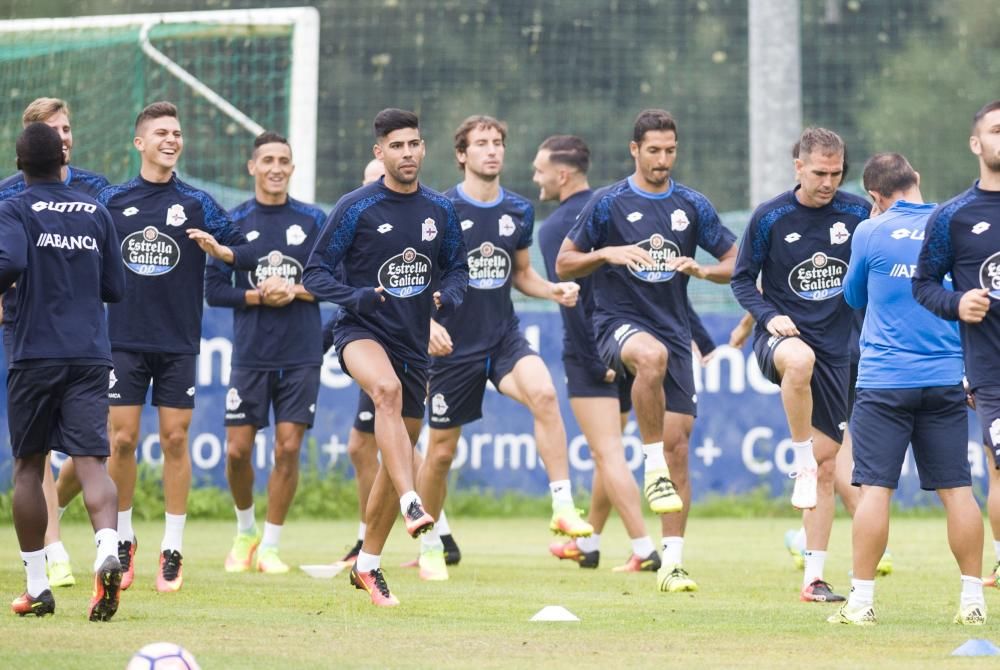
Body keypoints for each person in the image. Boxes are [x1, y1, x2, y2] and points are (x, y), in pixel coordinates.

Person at [557, 109, 738, 592]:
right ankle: (650, 463)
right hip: (617, 325)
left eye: (670, 150)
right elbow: (564, 262)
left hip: (675, 331)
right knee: (649, 359)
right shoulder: (607, 203)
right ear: (635, 150)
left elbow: (734, 262)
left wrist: (701, 271)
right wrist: (604, 254)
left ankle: (673, 563)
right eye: (653, 150)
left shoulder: (691, 205)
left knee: (681, 448)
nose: (662, 159)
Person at [303, 108, 468, 606]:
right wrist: (356, 297)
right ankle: (414, 501)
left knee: (393, 451)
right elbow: (315, 274)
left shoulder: (440, 210)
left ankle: (368, 565)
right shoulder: (356, 206)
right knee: (386, 391)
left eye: (414, 144)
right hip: (361, 331)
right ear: (380, 153)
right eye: (397, 146)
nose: (408, 153)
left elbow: (458, 270)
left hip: (413, 343)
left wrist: (447, 298)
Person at [415, 115, 590, 582]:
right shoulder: (438, 209)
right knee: (441, 454)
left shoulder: (517, 210)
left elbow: (521, 273)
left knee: (546, 395)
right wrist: (427, 322)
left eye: (498, 143)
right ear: (461, 154)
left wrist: (552, 290)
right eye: (481, 144)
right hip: (452, 347)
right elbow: (417, 283)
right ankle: (429, 543)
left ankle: (562, 507)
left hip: (503, 337)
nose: (492, 151)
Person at [96, 101, 256, 593]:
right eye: (162, 132)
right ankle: (123, 541)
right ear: (139, 142)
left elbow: (246, 248)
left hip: (178, 342)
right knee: (121, 441)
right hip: (122, 340)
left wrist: (222, 251)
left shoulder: (197, 202)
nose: (172, 139)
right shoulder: (112, 200)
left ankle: (172, 548)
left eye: (178, 133)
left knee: (174, 441)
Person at [827, 152, 983, 625]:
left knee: (875, 489)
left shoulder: (870, 230)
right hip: (945, 376)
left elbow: (853, 297)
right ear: (916, 179)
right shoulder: (954, 221)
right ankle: (973, 602)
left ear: (875, 197)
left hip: (884, 381)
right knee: (958, 489)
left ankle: (861, 603)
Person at [731, 126, 870, 602]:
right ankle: (798, 455)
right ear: (798, 167)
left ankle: (813, 579)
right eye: (819, 172)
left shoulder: (857, 213)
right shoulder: (770, 217)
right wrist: (770, 317)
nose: (828, 181)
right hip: (782, 341)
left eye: (836, 173)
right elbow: (742, 281)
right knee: (799, 360)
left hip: (840, 354)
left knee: (830, 467)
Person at [0, 123, 125, 620]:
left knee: (30, 466)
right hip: (91, 353)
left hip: (35, 352)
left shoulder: (14, 206)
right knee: (92, 461)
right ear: (63, 159)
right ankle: (107, 546)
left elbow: (8, 261)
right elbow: (114, 286)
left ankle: (37, 587)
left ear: (20, 164)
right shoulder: (95, 210)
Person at [533, 134, 658, 572]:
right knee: (613, 452)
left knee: (607, 453)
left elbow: (572, 298)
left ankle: (644, 548)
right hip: (627, 344)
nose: (536, 178)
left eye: (540, 169)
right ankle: (590, 544)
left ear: (562, 174)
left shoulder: (555, 229)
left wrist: (594, 359)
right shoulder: (610, 209)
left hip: (593, 351)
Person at [331, 158, 462, 568]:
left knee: (400, 442)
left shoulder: (429, 216)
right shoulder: (355, 217)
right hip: (367, 343)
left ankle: (433, 539)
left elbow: (437, 279)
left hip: (406, 345)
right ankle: (405, 515)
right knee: (367, 438)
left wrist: (432, 313)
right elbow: (333, 285)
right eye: (371, 180)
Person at [205, 132, 326, 574]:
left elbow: (334, 281)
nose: (277, 167)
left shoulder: (314, 221)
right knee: (237, 451)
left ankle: (271, 546)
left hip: (300, 353)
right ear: (252, 167)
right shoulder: (231, 223)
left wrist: (293, 289)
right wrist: (261, 297)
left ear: (292, 169)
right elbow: (215, 292)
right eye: (268, 160)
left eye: (284, 160)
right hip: (251, 353)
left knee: (288, 447)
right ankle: (245, 531)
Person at [913, 100, 1000, 589]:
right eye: (997, 130)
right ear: (976, 143)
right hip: (990, 368)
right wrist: (958, 303)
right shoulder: (953, 216)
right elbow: (924, 285)